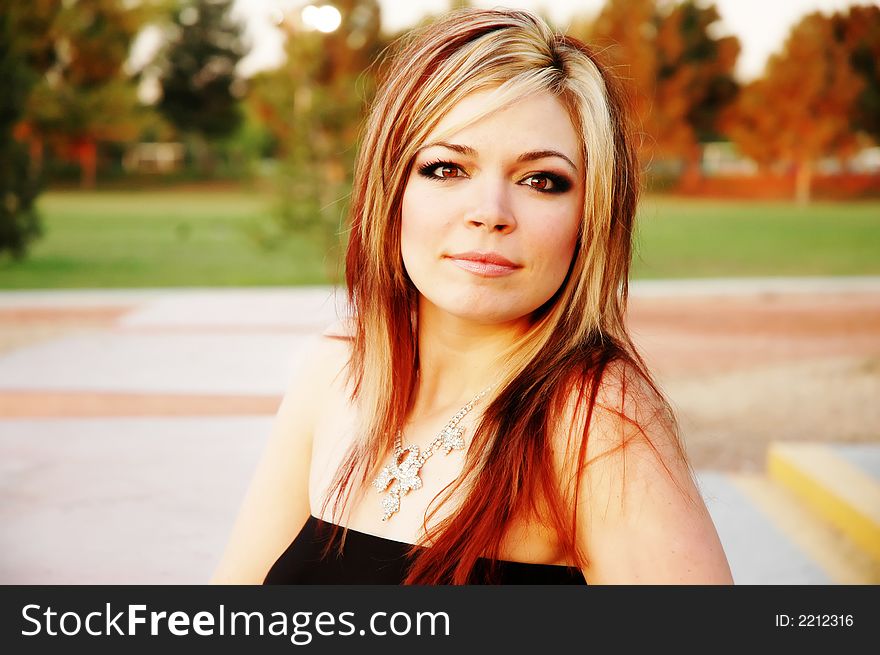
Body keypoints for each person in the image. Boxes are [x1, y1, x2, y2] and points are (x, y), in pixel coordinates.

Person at [211, 8, 734, 585]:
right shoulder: (335, 370)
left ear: (591, 216)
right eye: (446, 168)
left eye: (541, 180)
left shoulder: (595, 417)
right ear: (392, 188)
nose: (490, 213)